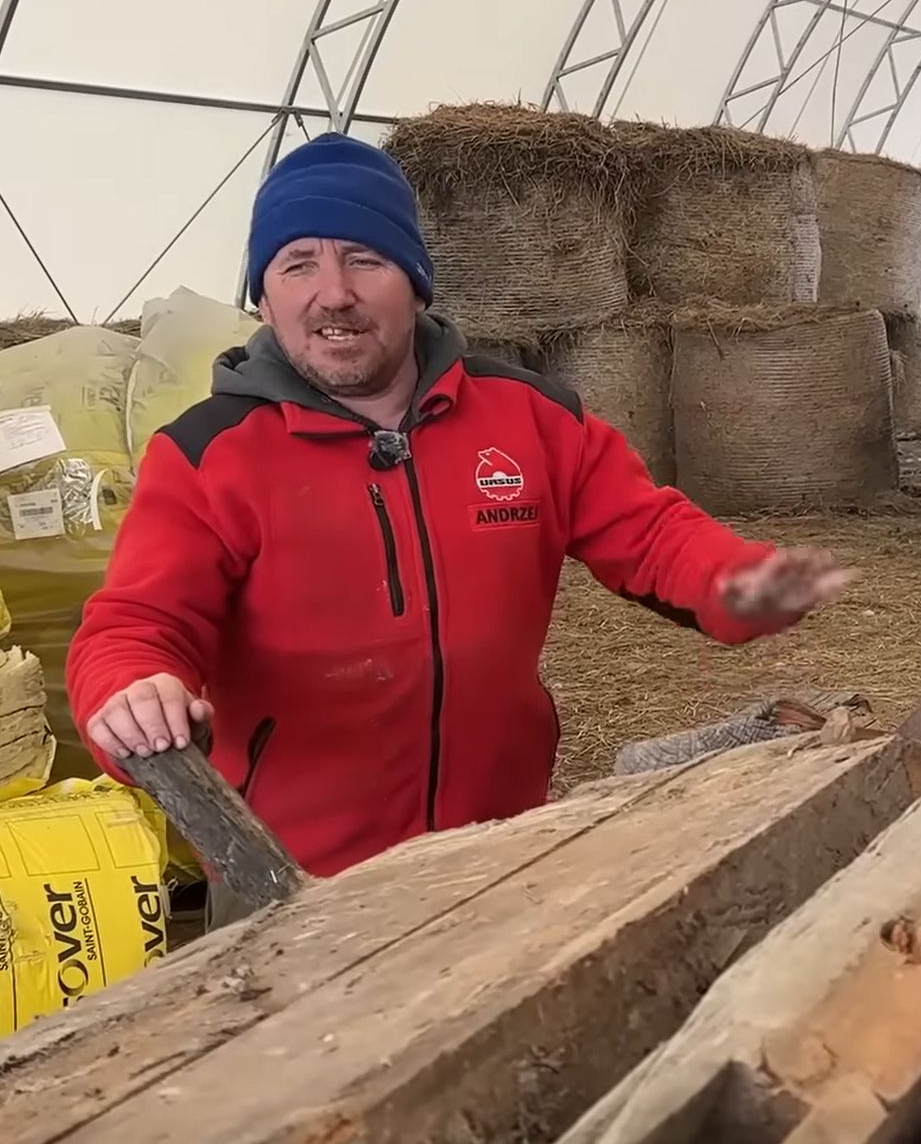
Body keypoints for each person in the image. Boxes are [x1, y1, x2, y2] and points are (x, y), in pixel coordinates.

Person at [66, 133, 852, 887]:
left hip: (500, 847)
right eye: (297, 263)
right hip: (295, 881)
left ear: (414, 279)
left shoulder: (527, 416)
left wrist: (740, 584)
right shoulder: (210, 453)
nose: (332, 292)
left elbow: (648, 533)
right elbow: (133, 627)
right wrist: (131, 690)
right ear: (264, 299)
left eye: (364, 259)